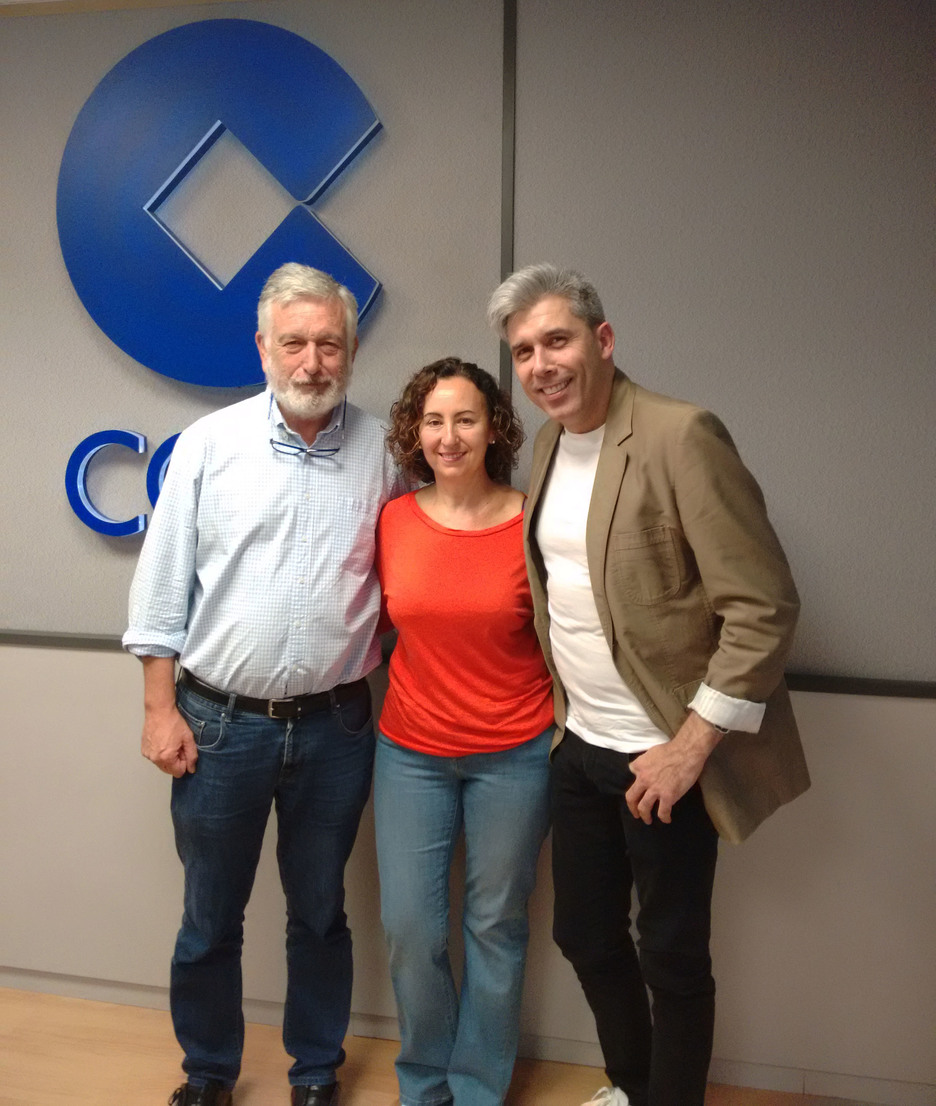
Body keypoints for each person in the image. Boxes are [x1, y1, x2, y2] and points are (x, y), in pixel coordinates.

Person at [486, 265, 810, 1106]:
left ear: (603, 340)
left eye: (557, 340)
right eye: (523, 351)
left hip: (665, 754)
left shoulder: (680, 434)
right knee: (585, 935)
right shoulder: (548, 444)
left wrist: (689, 749)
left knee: (671, 954)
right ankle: (632, 1085)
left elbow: (763, 607)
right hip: (580, 746)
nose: (540, 365)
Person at [123, 263, 405, 1106]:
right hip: (219, 727)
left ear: (351, 349)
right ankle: (208, 1072)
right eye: (294, 343)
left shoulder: (386, 453)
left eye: (329, 344)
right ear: (262, 347)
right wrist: (159, 710)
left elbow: (412, 579)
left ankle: (315, 1071)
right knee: (211, 918)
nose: (312, 362)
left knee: (319, 912)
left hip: (337, 727)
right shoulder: (210, 446)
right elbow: (161, 589)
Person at [373, 357, 555, 1106]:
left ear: (495, 430)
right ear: (415, 433)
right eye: (434, 421)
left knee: (495, 926)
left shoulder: (532, 524)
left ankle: (477, 1089)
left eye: (466, 419)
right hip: (410, 753)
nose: (449, 437)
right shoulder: (393, 521)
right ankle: (424, 1085)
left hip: (515, 754)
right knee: (411, 929)